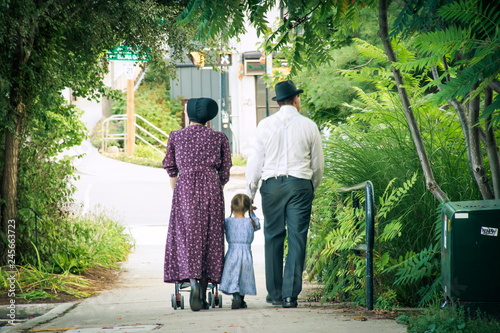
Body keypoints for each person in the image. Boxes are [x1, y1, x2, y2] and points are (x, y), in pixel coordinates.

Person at [246, 80, 324, 308]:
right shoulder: (309, 125)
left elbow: (255, 163)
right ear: (296, 100)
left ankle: (275, 293)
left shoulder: (265, 125)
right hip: (300, 184)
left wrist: (250, 193)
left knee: (273, 236)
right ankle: (291, 295)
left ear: (278, 102)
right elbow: (318, 165)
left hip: (271, 186)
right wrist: (312, 188)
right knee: (298, 237)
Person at [163, 97, 232, 311]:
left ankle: (190, 280)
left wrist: (179, 192)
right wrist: (213, 184)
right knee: (211, 235)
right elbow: (225, 171)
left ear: (188, 114)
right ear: (209, 118)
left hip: (185, 188)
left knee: (186, 235)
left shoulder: (176, 136)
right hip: (212, 188)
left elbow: (171, 168)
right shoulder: (219, 138)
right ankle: (203, 288)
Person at [219, 193, 261, 309]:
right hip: (246, 253)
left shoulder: (227, 221)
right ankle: (241, 299)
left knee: (233, 274)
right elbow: (258, 225)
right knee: (243, 276)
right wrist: (252, 212)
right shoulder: (250, 222)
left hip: (232, 252)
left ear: (232, 208)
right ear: (247, 208)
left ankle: (235, 295)